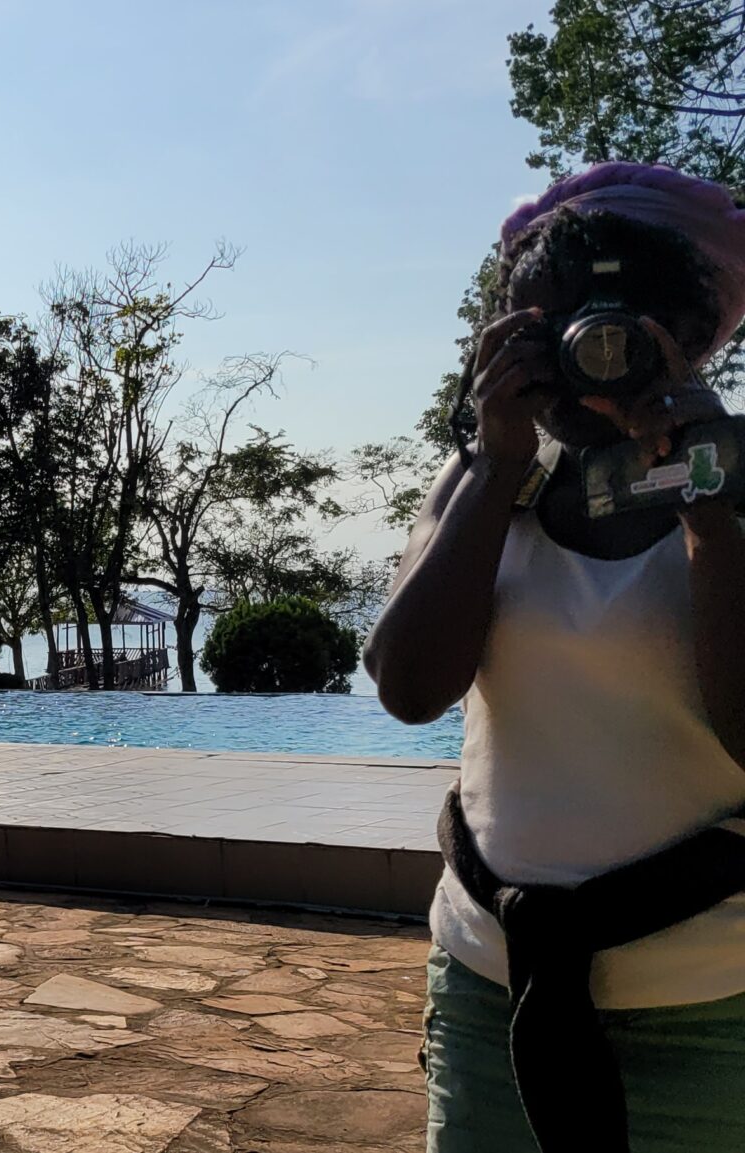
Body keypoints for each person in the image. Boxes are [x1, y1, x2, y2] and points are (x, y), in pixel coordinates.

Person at [369, 162, 745, 1153]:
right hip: (489, 984)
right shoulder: (487, 478)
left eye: (623, 327)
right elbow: (408, 687)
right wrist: (494, 469)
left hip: (713, 1007)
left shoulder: (731, 481)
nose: (594, 353)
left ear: (697, 332)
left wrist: (710, 510)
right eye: (561, 326)